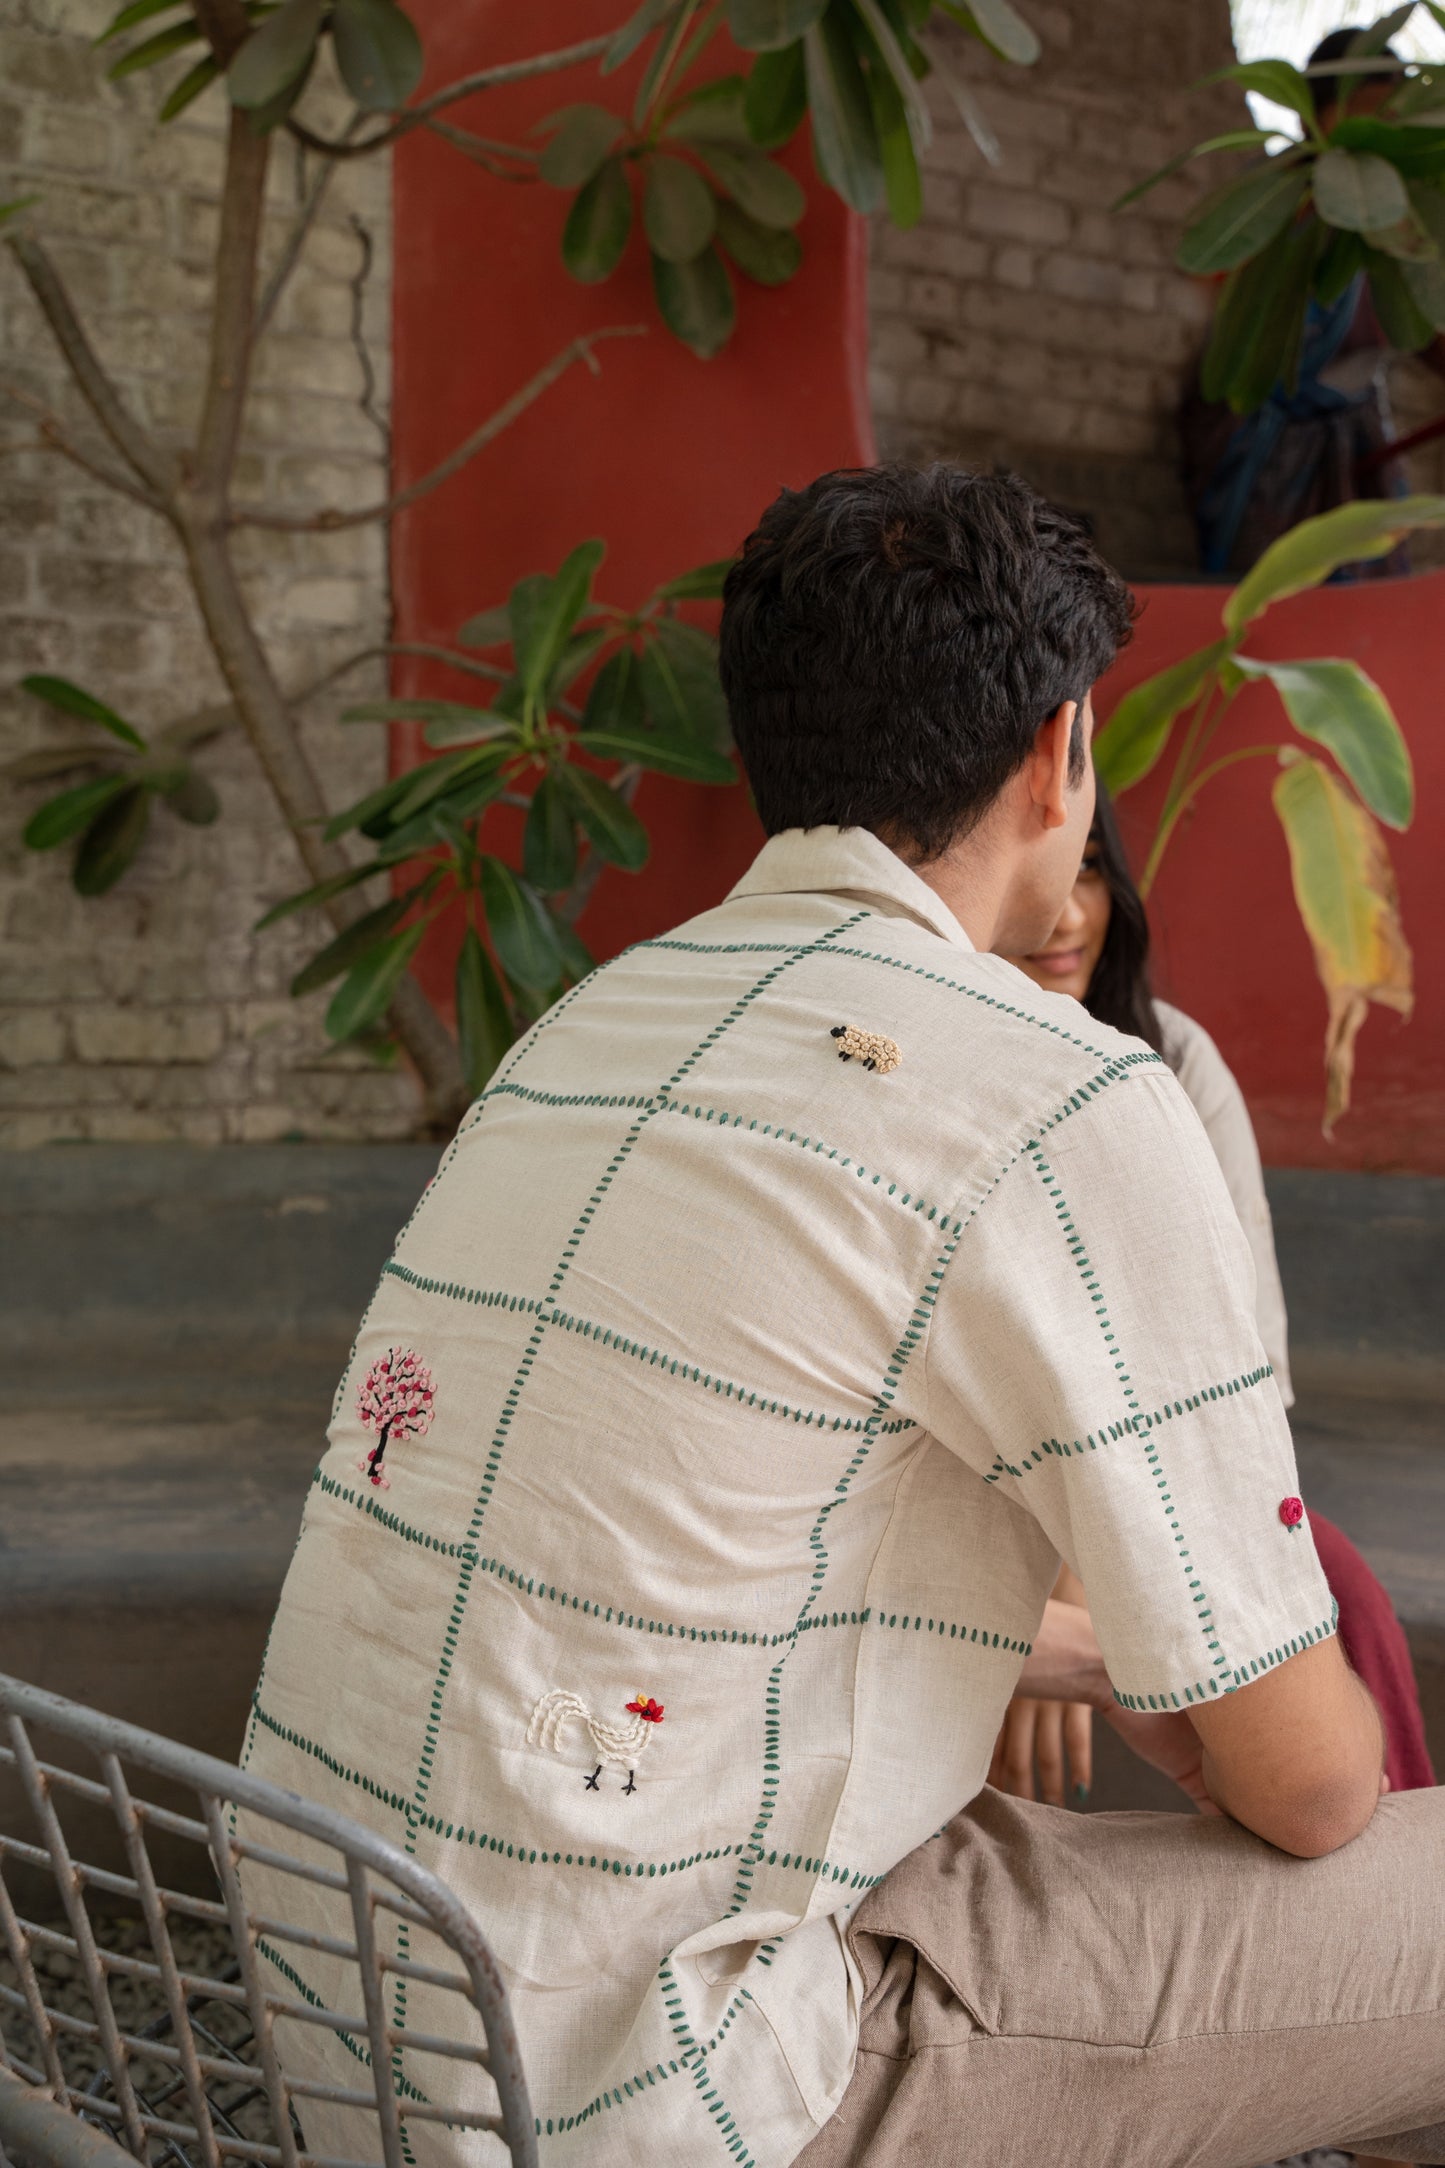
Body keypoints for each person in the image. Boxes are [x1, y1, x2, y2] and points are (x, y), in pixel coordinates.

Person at [240, 464, 1445, 2168]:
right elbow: (1313, 1788)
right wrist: (1200, 1689)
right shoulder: (1060, 1092)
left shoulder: (589, 1024)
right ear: (1057, 756)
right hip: (661, 2097)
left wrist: (1078, 1649)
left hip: (369, 2023)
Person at [990, 785, 1435, 1810]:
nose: (1064, 914)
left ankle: (1407, 1873)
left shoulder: (1176, 1062)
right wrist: (1051, 1583)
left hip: (1173, 1478)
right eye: (1043, 878)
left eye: (1089, 869)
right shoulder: (936, 1073)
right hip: (990, 1497)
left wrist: (1094, 1564)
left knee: (1343, 1592)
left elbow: (1244, 1366)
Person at [1181, 29, 1441, 579]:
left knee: (1368, 599)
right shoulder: (1271, 199)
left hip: (1355, 429)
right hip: (1261, 435)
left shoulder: (1405, 220)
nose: (1375, 144)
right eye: (1361, 123)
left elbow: (1423, 327)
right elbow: (1230, 323)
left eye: (1389, 126)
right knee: (1268, 594)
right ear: (1310, 121)